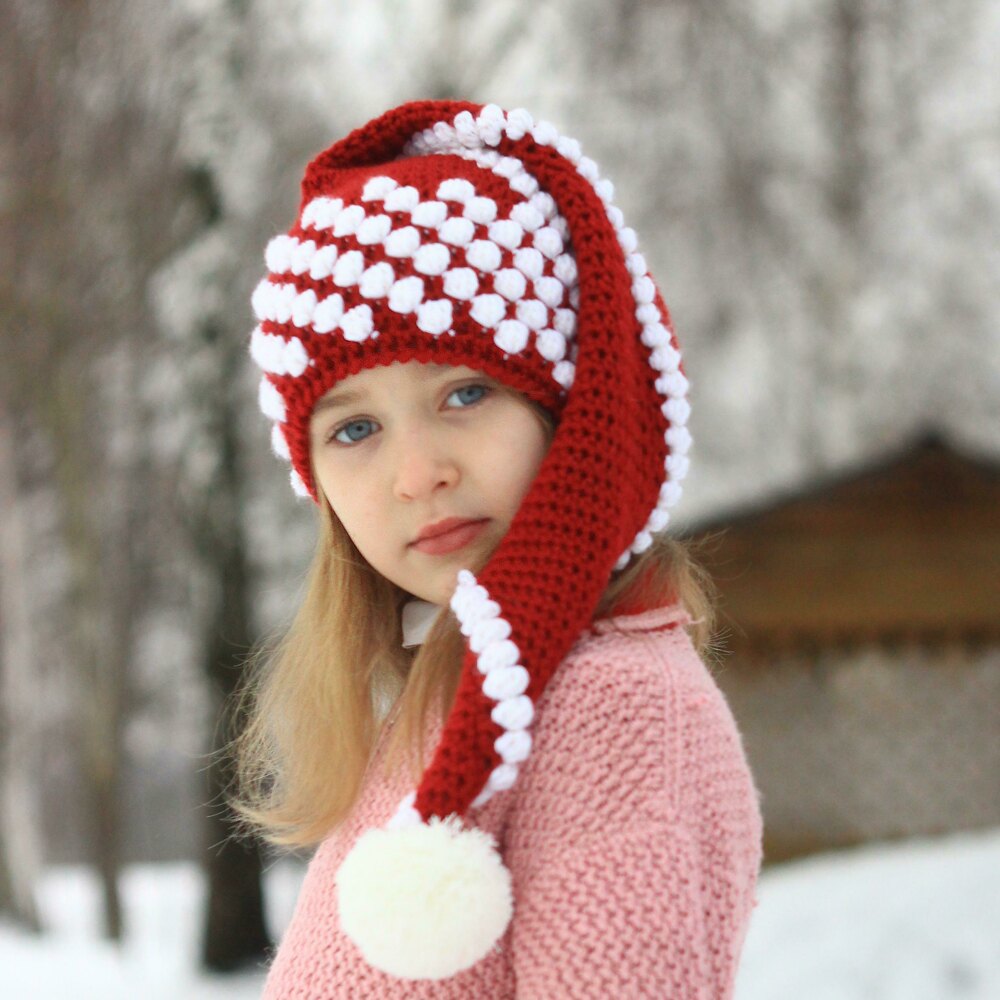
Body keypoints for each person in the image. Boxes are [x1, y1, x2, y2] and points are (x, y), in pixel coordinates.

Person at [232, 99, 764, 998]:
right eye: (354, 429)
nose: (417, 473)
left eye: (467, 393)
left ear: (573, 410)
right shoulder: (452, 698)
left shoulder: (608, 708)